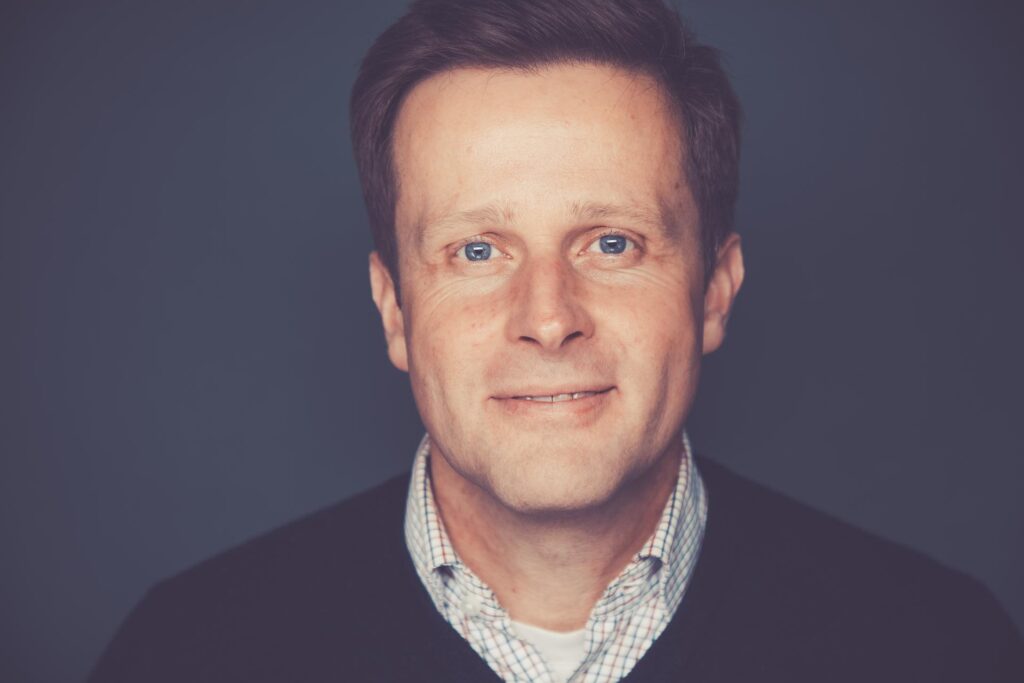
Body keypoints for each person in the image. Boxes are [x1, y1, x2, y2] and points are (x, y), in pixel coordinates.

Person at [87, 0, 1023, 681]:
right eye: (477, 250)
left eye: (611, 243)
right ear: (394, 311)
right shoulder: (185, 653)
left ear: (714, 290)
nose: (546, 316)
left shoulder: (940, 647)